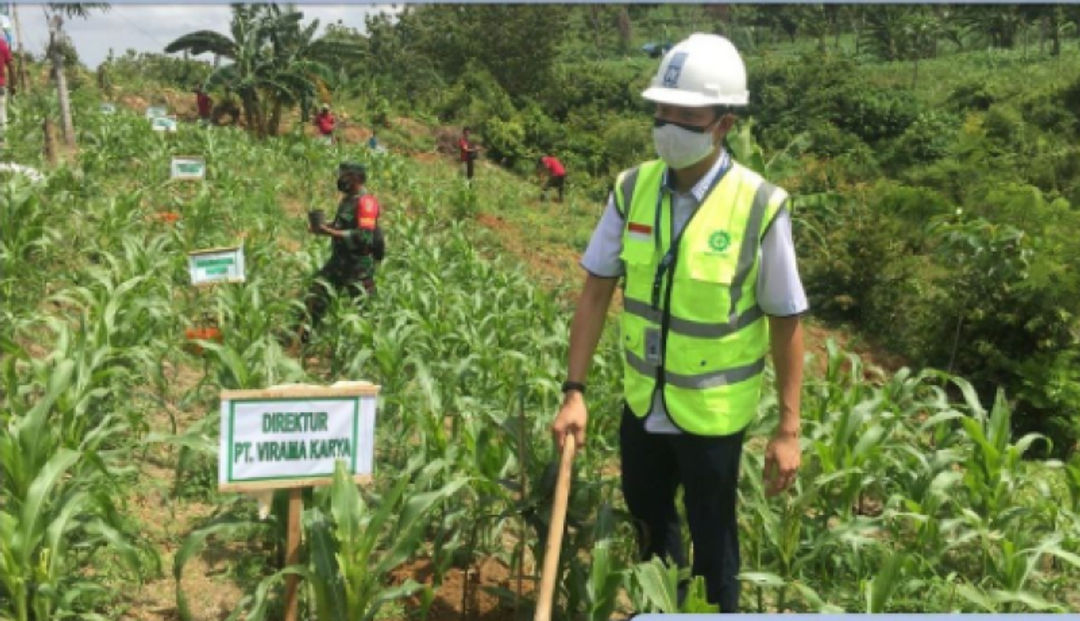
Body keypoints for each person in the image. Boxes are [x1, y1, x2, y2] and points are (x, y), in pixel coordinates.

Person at [549, 33, 806, 613]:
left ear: (724, 124)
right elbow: (595, 293)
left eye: (687, 115)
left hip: (713, 414)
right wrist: (574, 392)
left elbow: (787, 319)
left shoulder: (759, 204)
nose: (669, 125)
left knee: (715, 545)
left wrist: (787, 430)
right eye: (662, 110)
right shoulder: (633, 188)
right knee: (650, 532)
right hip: (643, 405)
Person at [300, 162, 384, 341]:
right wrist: (323, 228)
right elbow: (341, 226)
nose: (341, 179)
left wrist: (330, 232)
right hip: (338, 261)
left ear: (356, 178)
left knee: (365, 309)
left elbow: (364, 237)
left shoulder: (366, 203)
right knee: (317, 294)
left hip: (357, 265)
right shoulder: (347, 200)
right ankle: (303, 337)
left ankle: (373, 347)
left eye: (345, 175)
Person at [0, 33, 14, 148]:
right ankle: (5, 142)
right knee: (2, 114)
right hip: (1, 85)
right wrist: (13, 84)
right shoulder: (3, 45)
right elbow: (10, 65)